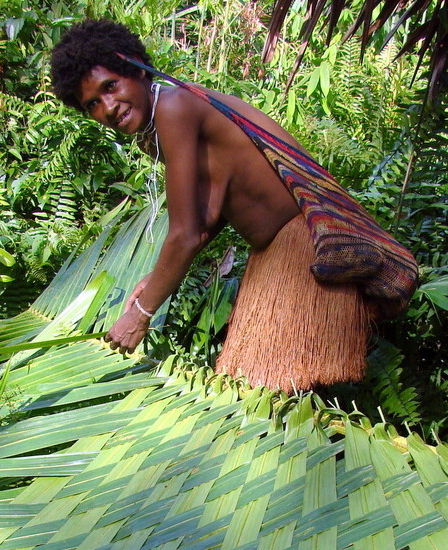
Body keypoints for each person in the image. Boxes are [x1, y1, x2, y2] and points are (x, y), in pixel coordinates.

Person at [50, 19, 413, 392]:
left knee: (275, 399)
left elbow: (185, 234)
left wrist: (141, 316)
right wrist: (155, 278)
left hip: (301, 252)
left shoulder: (174, 106)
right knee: (267, 400)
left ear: (137, 69)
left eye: (111, 86)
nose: (108, 107)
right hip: (275, 255)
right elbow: (210, 213)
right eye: (92, 103)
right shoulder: (162, 122)